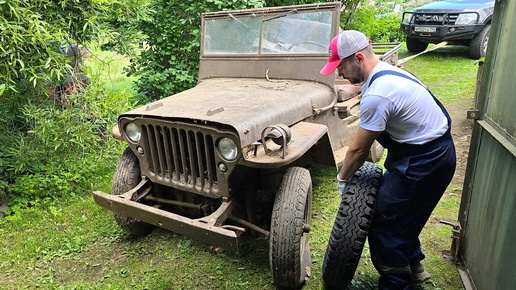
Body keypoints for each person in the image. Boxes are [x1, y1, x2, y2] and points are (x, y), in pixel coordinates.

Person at [320, 30, 456, 289]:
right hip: (426, 151)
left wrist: (342, 180)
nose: (339, 75)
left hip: (424, 162)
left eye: (341, 67)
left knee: (384, 221)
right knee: (405, 215)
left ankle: (397, 284)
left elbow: (358, 151)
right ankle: (415, 268)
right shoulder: (388, 71)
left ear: (358, 57)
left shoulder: (379, 94)